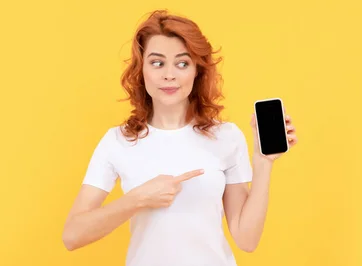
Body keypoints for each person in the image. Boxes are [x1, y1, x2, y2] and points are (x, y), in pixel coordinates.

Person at [61, 9, 298, 266]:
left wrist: (263, 163)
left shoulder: (226, 137)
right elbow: (72, 235)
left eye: (182, 63)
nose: (169, 75)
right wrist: (139, 198)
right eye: (157, 62)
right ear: (142, 70)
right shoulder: (117, 141)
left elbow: (246, 240)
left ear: (197, 71)